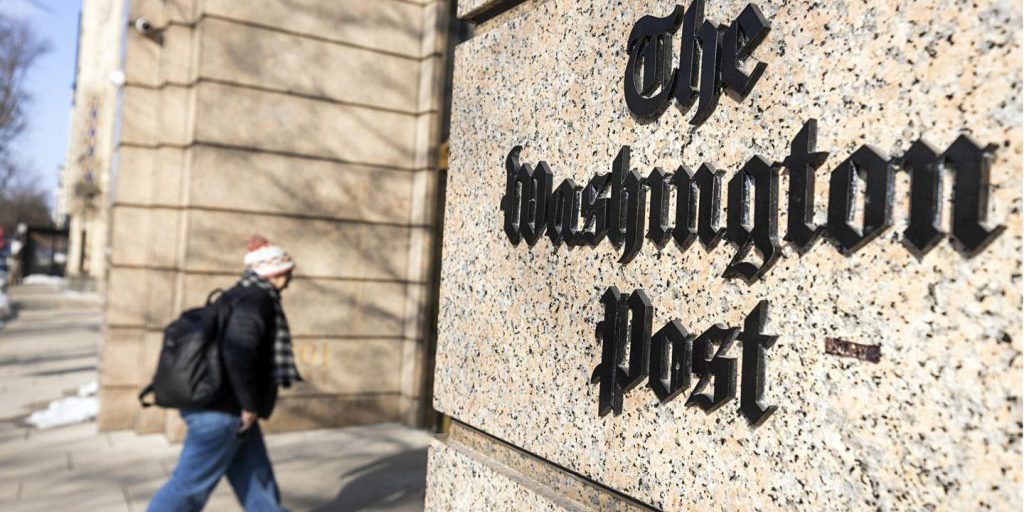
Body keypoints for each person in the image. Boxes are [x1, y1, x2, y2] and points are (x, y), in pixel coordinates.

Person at [148, 235, 303, 512]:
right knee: (188, 488)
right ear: (278, 273)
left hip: (223, 408)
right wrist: (248, 405)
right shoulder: (258, 300)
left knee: (257, 482)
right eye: (288, 272)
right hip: (224, 412)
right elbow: (238, 353)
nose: (290, 279)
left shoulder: (237, 294)